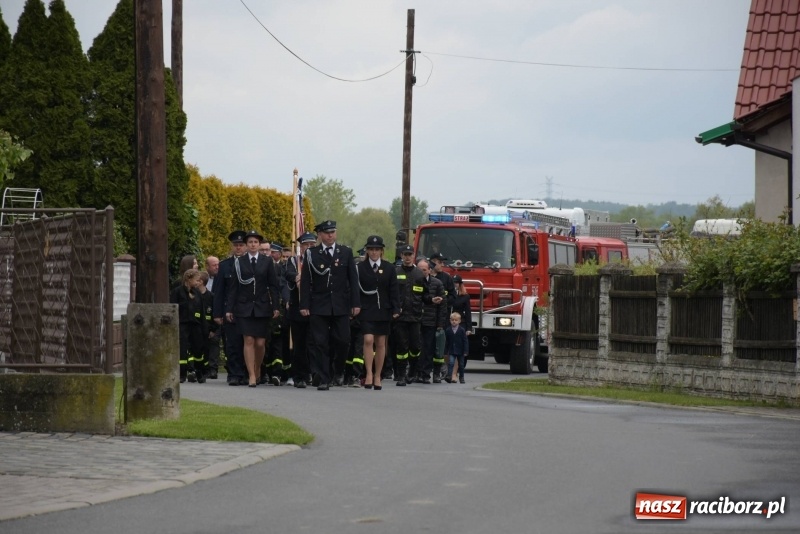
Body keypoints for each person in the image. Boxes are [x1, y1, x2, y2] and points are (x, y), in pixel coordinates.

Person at [299, 220, 361, 391]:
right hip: (319, 304)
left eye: (332, 232)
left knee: (343, 340)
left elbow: (353, 280)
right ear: (320, 235)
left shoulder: (345, 252)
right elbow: (306, 281)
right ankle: (324, 377)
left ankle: (337, 370)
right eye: (326, 232)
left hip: (341, 304)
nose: (330, 235)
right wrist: (304, 304)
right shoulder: (312, 253)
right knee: (321, 343)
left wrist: (356, 303)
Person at [226, 229, 281, 387]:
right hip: (244, 306)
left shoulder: (267, 261)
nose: (252, 245)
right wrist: (229, 309)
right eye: (250, 242)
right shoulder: (239, 262)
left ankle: (257, 368)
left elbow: (273, 285)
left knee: (260, 343)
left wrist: (276, 306)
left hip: (262, 306)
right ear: (246, 244)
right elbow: (233, 288)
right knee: (248, 340)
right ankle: (251, 374)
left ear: (259, 244)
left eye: (255, 242)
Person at [356, 235, 400, 390]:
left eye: (377, 250)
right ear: (367, 251)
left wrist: (396, 308)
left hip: (383, 309)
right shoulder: (360, 268)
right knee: (368, 340)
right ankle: (368, 373)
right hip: (366, 309)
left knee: (381, 343)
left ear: (381, 251)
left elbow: (393, 290)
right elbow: (355, 290)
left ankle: (377, 375)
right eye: (371, 249)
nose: (374, 253)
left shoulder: (389, 268)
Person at [214, 231, 248, 386]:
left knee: (247, 342)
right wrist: (218, 313)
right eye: (236, 245)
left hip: (248, 309)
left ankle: (247, 373)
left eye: (241, 245)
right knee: (232, 343)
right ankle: (234, 373)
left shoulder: (251, 263)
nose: (239, 248)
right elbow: (218, 290)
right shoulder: (225, 265)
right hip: (230, 310)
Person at [285, 232, 317, 388]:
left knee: (315, 342)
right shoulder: (293, 260)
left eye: (312, 245)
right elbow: (289, 274)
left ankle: (313, 373)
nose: (309, 247)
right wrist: (298, 277)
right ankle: (300, 375)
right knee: (299, 344)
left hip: (315, 307)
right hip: (297, 307)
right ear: (301, 246)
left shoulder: (318, 260)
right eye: (306, 245)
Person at [392, 244, 425, 386]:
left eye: (409, 254)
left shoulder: (419, 274)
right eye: (405, 254)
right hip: (400, 316)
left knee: (416, 346)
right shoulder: (396, 271)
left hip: (415, 316)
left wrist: (432, 300)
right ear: (401, 256)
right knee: (401, 347)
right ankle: (400, 375)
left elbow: (425, 294)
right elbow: (391, 293)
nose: (407, 257)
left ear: (414, 256)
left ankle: (412, 371)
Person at [170, 268, 207, 383]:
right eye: (196, 280)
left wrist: (204, 328)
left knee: (198, 349)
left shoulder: (197, 293)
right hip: (182, 325)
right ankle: (182, 373)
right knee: (182, 349)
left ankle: (199, 372)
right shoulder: (177, 292)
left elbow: (202, 311)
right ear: (188, 279)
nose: (198, 282)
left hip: (196, 325)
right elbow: (173, 309)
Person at [416, 259, 447, 384]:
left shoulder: (437, 284)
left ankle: (426, 374)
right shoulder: (413, 282)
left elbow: (443, 306)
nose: (422, 272)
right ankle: (415, 372)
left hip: (430, 321)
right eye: (419, 269)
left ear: (429, 270)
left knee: (428, 348)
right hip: (415, 320)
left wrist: (440, 324)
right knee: (416, 348)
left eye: (424, 270)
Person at [449, 274, 473, 382]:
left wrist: (469, 327)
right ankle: (448, 371)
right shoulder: (448, 294)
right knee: (448, 349)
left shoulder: (465, 296)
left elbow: (468, 312)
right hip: (449, 322)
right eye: (453, 282)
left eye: (457, 282)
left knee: (458, 349)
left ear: (460, 284)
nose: (455, 284)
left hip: (461, 323)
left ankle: (454, 373)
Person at [197, 270, 219, 379]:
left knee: (213, 344)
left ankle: (213, 369)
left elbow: (214, 313)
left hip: (210, 327)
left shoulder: (211, 297)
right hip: (198, 327)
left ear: (201, 282)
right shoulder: (194, 296)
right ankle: (201, 369)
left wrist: (213, 329)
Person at [444, 311, 469, 384]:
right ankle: (449, 376)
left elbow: (465, 341)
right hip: (452, 350)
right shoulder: (448, 330)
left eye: (456, 320)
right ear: (450, 320)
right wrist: (445, 351)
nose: (454, 322)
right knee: (451, 363)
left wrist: (465, 351)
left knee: (461, 365)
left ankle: (461, 377)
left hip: (460, 351)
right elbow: (447, 342)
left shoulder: (462, 330)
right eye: (452, 320)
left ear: (459, 321)